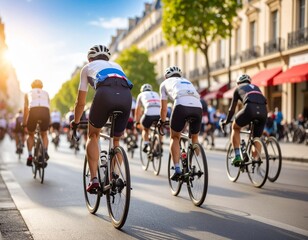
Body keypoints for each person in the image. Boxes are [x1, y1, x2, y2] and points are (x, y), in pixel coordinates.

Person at [71, 44, 133, 192]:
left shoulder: (87, 68)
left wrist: (76, 121)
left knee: (93, 134)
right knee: (116, 140)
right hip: (126, 97)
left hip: (104, 94)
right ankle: (115, 177)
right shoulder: (117, 65)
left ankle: (93, 180)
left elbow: (80, 102)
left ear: (89, 59)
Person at [159, 66, 202, 181]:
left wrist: (162, 122)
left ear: (166, 76)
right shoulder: (188, 81)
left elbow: (163, 109)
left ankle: (177, 169)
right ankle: (194, 163)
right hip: (198, 107)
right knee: (195, 138)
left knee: (175, 137)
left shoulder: (164, 83)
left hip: (181, 105)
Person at [220, 74, 267, 166]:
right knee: (256, 137)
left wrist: (226, 121)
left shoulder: (238, 88)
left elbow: (232, 109)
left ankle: (237, 156)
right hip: (263, 112)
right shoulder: (256, 87)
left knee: (235, 127)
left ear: (238, 83)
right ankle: (256, 159)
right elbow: (265, 103)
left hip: (250, 109)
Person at [23, 79, 51, 167]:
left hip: (34, 111)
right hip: (45, 112)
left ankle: (30, 155)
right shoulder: (46, 93)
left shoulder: (28, 93)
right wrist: (49, 122)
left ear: (32, 86)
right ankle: (45, 151)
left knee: (31, 135)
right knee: (44, 134)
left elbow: (26, 109)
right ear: (41, 86)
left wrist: (24, 123)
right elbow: (48, 107)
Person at [135, 83, 161, 153]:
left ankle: (146, 144)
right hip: (159, 114)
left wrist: (137, 121)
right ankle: (159, 143)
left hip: (149, 113)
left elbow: (137, 109)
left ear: (142, 90)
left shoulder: (141, 95)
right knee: (159, 129)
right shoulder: (156, 93)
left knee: (145, 129)